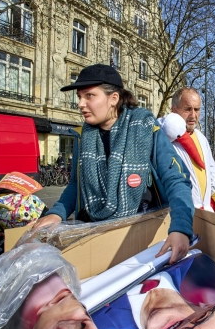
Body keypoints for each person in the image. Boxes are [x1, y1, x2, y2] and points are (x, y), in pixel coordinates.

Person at [33, 64, 194, 263]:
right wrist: (58, 212)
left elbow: (177, 180)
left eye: (89, 96)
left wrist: (181, 228)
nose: (81, 104)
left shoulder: (146, 128)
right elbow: (77, 183)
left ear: (113, 99)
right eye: (79, 97)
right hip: (93, 233)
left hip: (140, 235)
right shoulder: (82, 135)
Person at [160, 87, 215, 215]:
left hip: (204, 214)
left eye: (197, 109)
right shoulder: (163, 138)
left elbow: (211, 172)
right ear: (174, 110)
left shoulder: (201, 138)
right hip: (177, 215)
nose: (193, 115)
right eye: (187, 109)